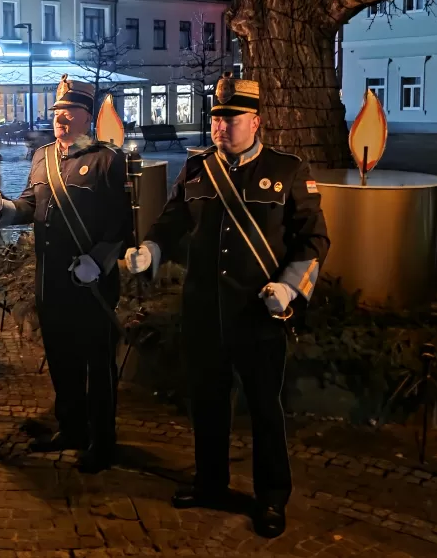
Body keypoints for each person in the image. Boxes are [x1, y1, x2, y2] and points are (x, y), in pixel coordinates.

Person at [124, 73, 330, 538]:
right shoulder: (197, 170)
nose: (221, 126)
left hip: (258, 311)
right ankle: (210, 482)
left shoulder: (288, 169)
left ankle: (272, 498)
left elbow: (314, 239)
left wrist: (289, 287)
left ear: (255, 121)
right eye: (216, 117)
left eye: (231, 118)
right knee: (208, 403)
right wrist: (150, 250)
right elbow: (170, 223)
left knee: (263, 408)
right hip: (203, 310)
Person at [0, 75, 131, 473]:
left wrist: (98, 261)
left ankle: (102, 440)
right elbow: (30, 204)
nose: (61, 118)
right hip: (52, 282)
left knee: (98, 366)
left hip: (92, 282)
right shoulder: (43, 157)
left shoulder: (107, 160)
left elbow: (121, 225)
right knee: (62, 360)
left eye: (70, 112)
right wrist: (3, 208)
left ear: (87, 117)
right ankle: (72, 428)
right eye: (58, 112)